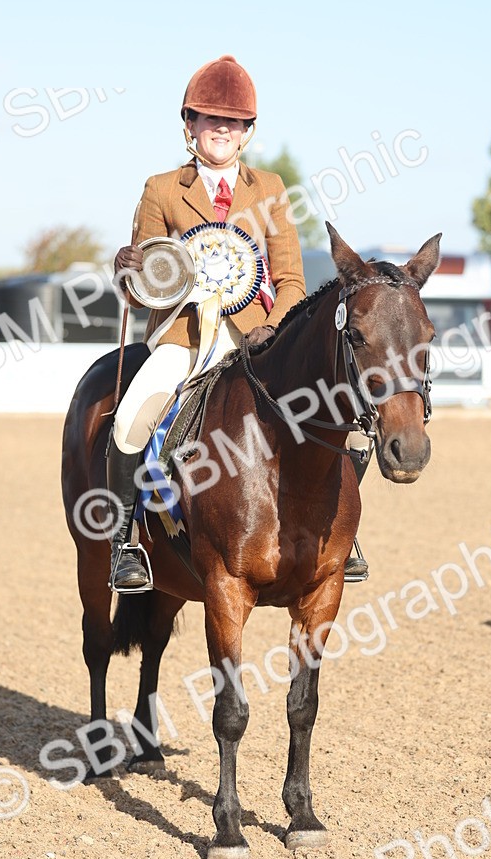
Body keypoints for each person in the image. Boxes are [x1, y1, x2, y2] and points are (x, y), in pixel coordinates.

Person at [109, 54, 370, 591]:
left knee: (329, 408)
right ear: (191, 127)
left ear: (247, 133)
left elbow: (292, 279)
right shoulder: (162, 190)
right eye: (210, 120)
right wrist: (131, 271)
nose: (221, 130)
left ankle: (345, 534)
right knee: (130, 418)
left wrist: (272, 327)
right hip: (184, 334)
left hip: (258, 337)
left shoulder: (270, 189)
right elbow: (146, 287)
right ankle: (125, 544)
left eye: (233, 122)